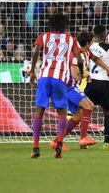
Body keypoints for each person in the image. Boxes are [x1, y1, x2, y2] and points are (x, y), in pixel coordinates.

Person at [29, 13, 81, 159]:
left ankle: (35, 147)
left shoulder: (43, 36)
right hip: (60, 79)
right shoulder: (70, 39)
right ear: (65, 25)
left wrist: (32, 71)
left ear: (51, 24)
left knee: (39, 111)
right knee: (62, 113)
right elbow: (79, 58)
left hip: (44, 77)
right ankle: (59, 144)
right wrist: (81, 72)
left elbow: (35, 52)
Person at [85, 25, 109, 149]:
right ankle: (106, 142)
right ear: (105, 35)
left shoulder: (90, 47)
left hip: (91, 82)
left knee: (85, 109)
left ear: (94, 35)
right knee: (107, 112)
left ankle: (84, 138)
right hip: (104, 82)